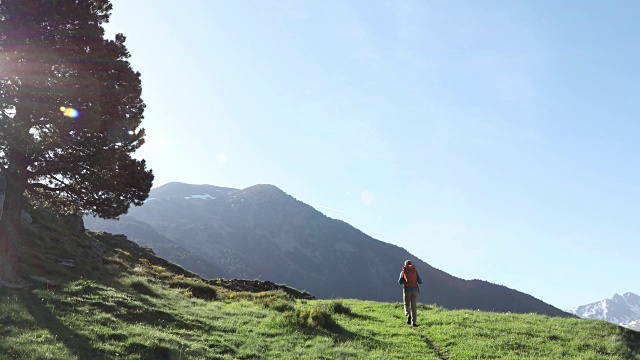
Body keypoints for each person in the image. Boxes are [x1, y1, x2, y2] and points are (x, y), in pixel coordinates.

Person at [398, 260, 422, 326]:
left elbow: (400, 282)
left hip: (407, 290)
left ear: (405, 265)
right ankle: (414, 322)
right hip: (415, 291)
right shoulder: (415, 271)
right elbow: (420, 281)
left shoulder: (403, 271)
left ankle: (408, 315)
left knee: (406, 305)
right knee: (414, 307)